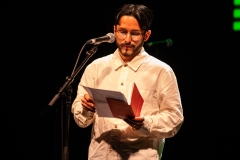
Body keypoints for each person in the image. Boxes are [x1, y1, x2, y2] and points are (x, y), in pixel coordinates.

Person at [71, 4, 184, 160]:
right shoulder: (96, 67)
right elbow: (81, 121)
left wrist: (145, 123)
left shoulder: (161, 71)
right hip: (101, 156)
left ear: (146, 35)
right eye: (123, 32)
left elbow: (174, 119)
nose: (128, 39)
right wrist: (86, 108)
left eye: (135, 33)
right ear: (115, 30)